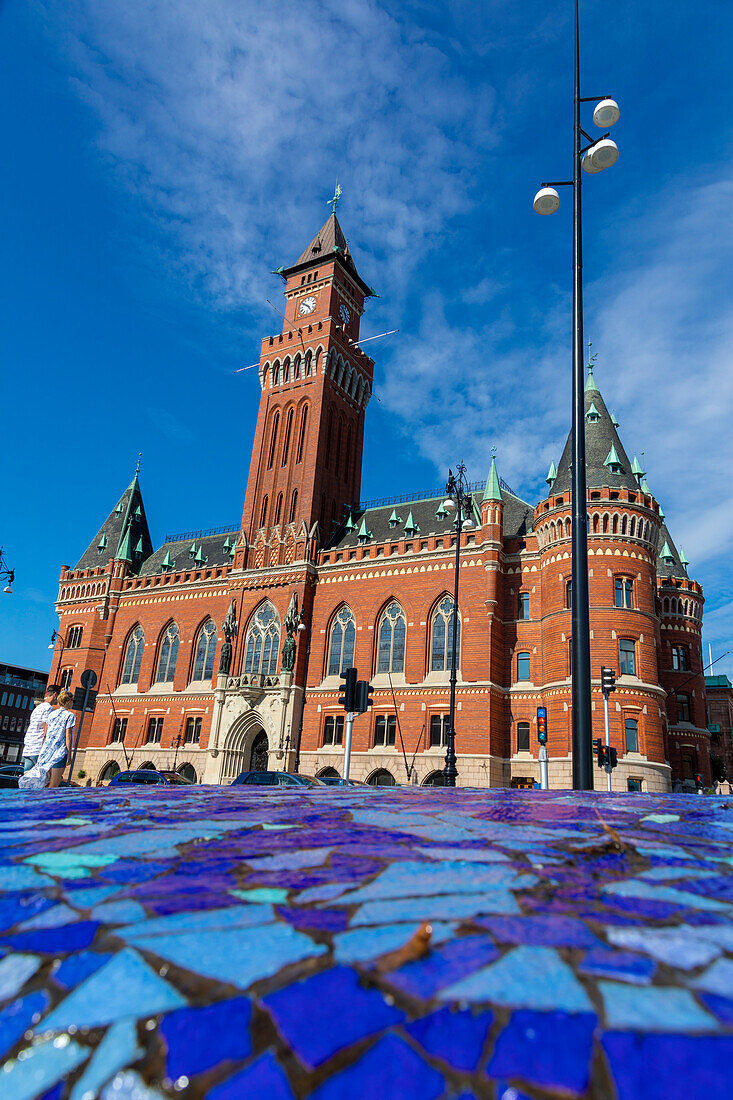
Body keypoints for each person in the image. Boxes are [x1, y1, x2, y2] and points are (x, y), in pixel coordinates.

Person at [39, 690, 76, 788]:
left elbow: (47, 733)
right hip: (59, 752)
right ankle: (47, 802)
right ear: (68, 702)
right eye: (73, 701)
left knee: (45, 783)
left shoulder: (51, 714)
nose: (73, 703)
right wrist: (69, 754)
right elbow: (68, 735)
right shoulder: (70, 715)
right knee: (54, 785)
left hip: (47, 751)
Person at [21, 685, 59, 772]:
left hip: (28, 748)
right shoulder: (48, 709)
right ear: (55, 695)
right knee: (42, 780)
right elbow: (46, 730)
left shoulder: (37, 708)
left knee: (27, 779)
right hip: (38, 749)